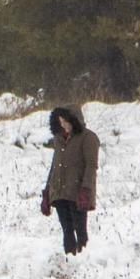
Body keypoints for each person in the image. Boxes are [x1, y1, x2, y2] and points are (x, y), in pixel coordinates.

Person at [41, 105, 100, 255]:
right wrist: (47, 192)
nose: (63, 125)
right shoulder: (58, 139)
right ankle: (70, 258)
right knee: (66, 230)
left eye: (66, 122)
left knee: (80, 229)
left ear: (74, 120)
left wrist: (86, 189)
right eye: (60, 122)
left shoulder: (89, 138)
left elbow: (91, 166)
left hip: (78, 192)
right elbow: (54, 166)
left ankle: (84, 257)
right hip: (59, 192)